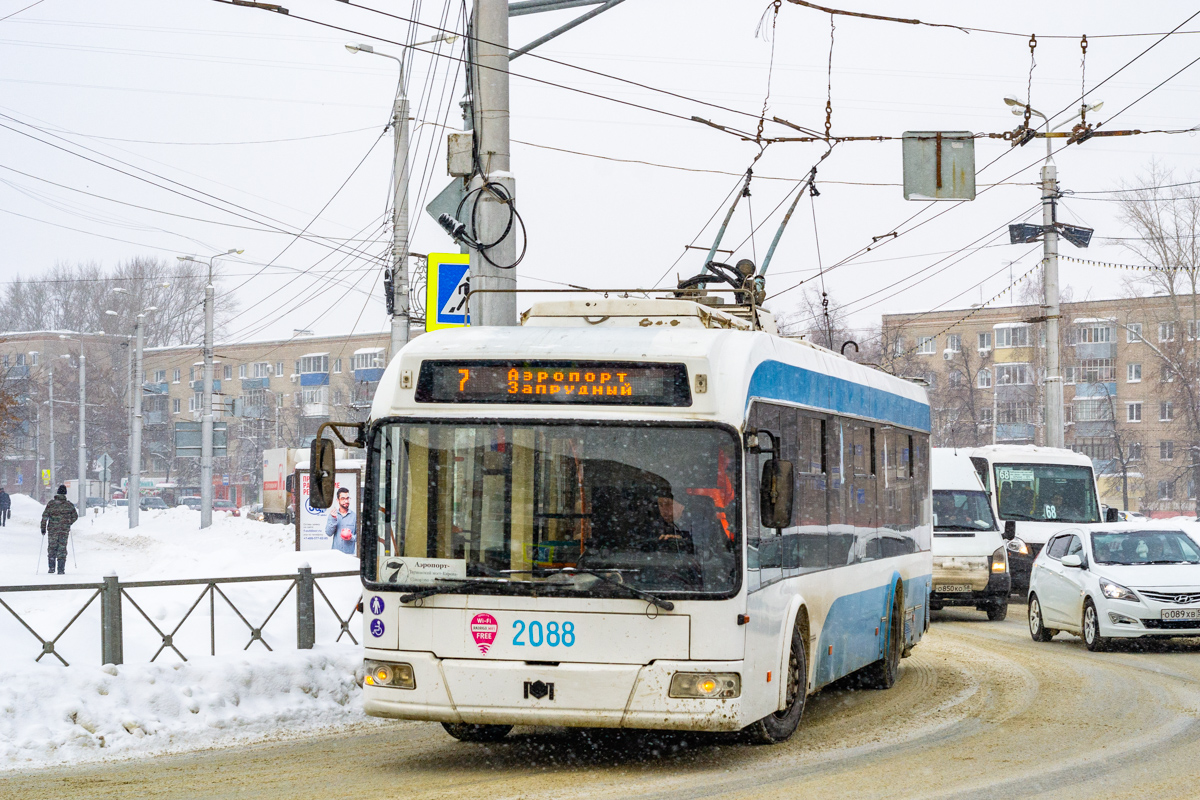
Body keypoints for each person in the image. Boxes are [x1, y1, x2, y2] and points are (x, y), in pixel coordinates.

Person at [41, 485, 78, 575]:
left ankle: (51, 568)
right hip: (64, 531)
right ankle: (61, 569)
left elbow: (45, 516)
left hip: (52, 530)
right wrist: (68, 523)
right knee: (62, 548)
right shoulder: (69, 505)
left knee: (52, 548)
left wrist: (43, 528)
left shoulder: (51, 504)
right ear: (65, 493)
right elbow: (75, 516)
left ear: (57, 492)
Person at [325, 487, 357, 555]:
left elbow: (360, 536)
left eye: (347, 498)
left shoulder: (354, 516)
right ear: (338, 500)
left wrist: (351, 537)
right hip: (336, 555)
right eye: (343, 499)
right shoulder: (333, 515)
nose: (346, 501)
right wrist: (334, 519)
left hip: (350, 555)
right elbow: (328, 533)